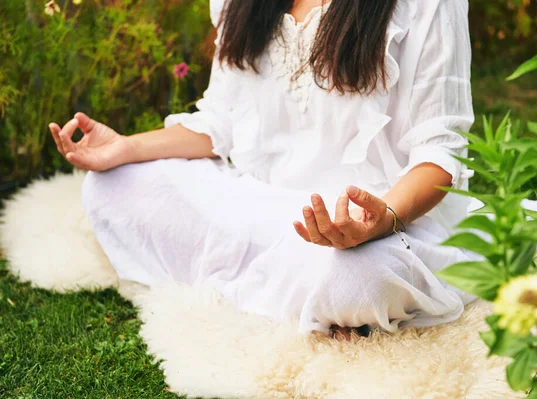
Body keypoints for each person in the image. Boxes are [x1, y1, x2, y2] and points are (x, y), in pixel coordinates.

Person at [48, 0, 477, 339]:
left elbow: (440, 150)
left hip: (373, 227)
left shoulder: (430, 3)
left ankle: (287, 282)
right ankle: (284, 282)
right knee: (113, 185)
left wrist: (381, 220)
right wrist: (125, 148)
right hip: (259, 208)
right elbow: (218, 123)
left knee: (354, 277)